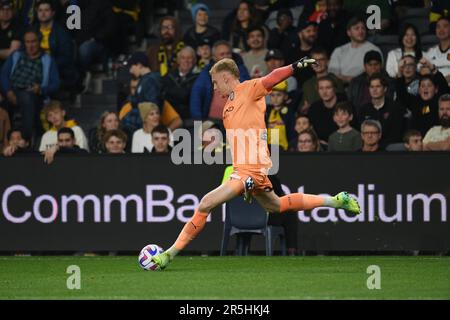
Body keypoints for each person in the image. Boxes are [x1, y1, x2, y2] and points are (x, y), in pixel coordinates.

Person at [150, 56, 361, 270]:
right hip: (243, 169)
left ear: (225, 77)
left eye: (214, 82)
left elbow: (271, 79)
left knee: (205, 203)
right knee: (276, 205)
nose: (213, 87)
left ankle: (169, 254)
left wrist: (294, 66)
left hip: (253, 166)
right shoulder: (227, 108)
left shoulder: (249, 88)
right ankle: (336, 201)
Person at [1, 28, 60, 142]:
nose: (30, 45)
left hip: (34, 93)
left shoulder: (47, 59)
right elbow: (3, 76)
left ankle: (26, 139)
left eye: (33, 42)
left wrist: (41, 89)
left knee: (27, 98)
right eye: (27, 42)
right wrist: (8, 92)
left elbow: (55, 83)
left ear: (39, 42)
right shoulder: (16, 55)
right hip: (12, 91)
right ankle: (6, 143)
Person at [190, 40, 250, 120]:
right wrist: (198, 121)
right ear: (215, 58)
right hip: (212, 121)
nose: (226, 57)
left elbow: (246, 90)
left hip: (237, 120)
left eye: (228, 53)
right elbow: (196, 96)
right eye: (222, 54)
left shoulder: (241, 70)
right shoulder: (207, 72)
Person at [328, 16, 382, 84]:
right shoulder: (339, 51)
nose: (361, 31)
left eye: (363, 28)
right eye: (356, 28)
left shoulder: (373, 50)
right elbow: (332, 74)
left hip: (364, 86)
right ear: (349, 32)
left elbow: (376, 73)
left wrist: (352, 80)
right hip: (339, 87)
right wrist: (348, 79)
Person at [359, 74, 405, 144]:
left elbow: (397, 134)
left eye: (378, 86)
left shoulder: (395, 108)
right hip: (369, 147)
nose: (374, 90)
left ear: (385, 89)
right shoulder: (364, 109)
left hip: (389, 148)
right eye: (372, 87)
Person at [300, 46, 344, 114]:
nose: (318, 63)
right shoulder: (307, 84)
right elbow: (302, 107)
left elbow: (341, 103)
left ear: (327, 62)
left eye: (321, 60)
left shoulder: (336, 80)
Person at [162, 46, 199, 119]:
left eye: (189, 58)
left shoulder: (199, 78)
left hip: (189, 119)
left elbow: (185, 97)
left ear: (194, 60)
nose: (186, 61)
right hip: (169, 117)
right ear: (178, 60)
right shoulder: (169, 76)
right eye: (183, 58)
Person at [265, 80, 295, 151]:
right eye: (272, 95)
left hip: (283, 148)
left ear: (285, 96)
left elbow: (291, 131)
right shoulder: (266, 111)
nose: (275, 98)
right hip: (266, 148)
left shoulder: (289, 112)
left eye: (279, 95)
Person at [425, 17, 450, 84]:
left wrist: (441, 82)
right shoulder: (431, 51)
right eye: (438, 27)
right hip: (434, 88)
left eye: (445, 26)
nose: (441, 30)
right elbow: (423, 70)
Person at [0, 0, 22, 68]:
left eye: (8, 9)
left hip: (9, 65)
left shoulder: (18, 27)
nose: (5, 12)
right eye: (2, 9)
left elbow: (12, 53)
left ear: (13, 11)